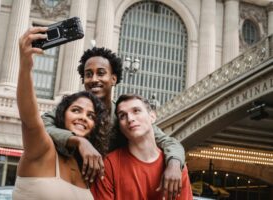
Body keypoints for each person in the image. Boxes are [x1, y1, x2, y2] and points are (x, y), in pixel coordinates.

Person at [42, 47, 186, 196]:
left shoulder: (125, 117)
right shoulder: (72, 109)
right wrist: (79, 141)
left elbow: (169, 142)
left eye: (101, 73)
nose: (94, 79)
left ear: (113, 79)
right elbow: (41, 126)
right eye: (88, 74)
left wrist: (174, 165)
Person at [12, 27, 110, 200]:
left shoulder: (85, 169)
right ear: (61, 115)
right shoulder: (43, 149)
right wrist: (25, 66)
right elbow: (30, 120)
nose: (83, 117)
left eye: (91, 116)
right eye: (76, 110)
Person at [91, 94, 193, 200]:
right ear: (120, 127)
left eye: (136, 111)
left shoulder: (176, 168)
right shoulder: (108, 166)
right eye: (122, 116)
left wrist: (175, 165)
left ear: (152, 117)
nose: (130, 119)